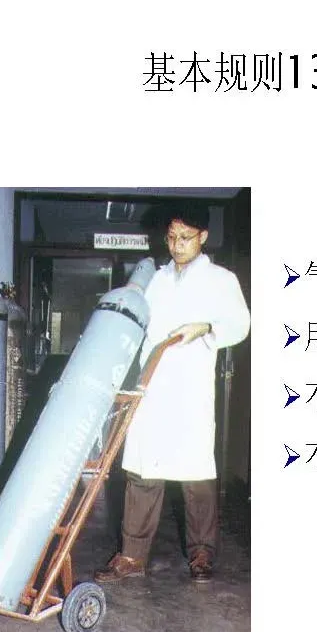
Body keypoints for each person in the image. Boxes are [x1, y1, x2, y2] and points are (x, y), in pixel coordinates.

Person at [96, 203, 250, 583]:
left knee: (196, 475)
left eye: (185, 238)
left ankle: (201, 554)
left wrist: (207, 327)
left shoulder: (221, 280)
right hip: (151, 386)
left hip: (190, 387)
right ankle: (132, 556)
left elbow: (240, 324)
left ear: (203, 237)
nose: (177, 245)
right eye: (171, 237)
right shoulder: (156, 279)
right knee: (143, 471)